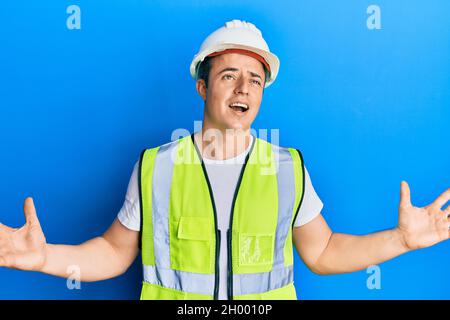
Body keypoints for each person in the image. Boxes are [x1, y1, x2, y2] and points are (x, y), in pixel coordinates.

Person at [0, 20, 449, 300]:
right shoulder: (157, 166)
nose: (243, 89)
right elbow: (115, 254)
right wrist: (45, 260)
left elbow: (324, 250)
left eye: (255, 79)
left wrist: (402, 241)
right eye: (229, 76)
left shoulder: (289, 168)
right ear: (202, 86)